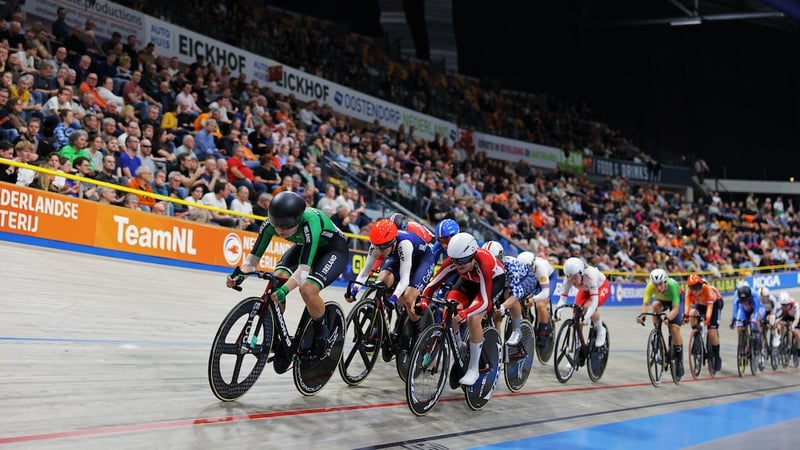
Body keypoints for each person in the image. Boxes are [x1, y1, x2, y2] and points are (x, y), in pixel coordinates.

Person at [226, 191, 349, 360]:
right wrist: (239, 276)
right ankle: (277, 336)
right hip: (304, 244)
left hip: (332, 250)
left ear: (298, 220)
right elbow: (252, 260)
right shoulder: (270, 223)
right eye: (277, 225)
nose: (281, 230)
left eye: (286, 226)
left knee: (307, 289)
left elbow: (303, 272)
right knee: (278, 277)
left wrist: (285, 290)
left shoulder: (310, 222)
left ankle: (322, 335)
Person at [420, 232, 505, 386]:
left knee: (474, 318)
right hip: (469, 280)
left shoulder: (483, 262)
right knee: (449, 306)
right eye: (455, 261)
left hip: (492, 281)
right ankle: (460, 344)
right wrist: (423, 302)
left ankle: (473, 369)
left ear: (472, 256)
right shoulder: (457, 261)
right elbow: (432, 285)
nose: (458, 266)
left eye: (462, 262)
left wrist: (466, 312)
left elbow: (485, 301)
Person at [347, 218, 436, 350]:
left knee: (409, 297)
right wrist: (354, 290)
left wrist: (394, 298)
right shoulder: (377, 245)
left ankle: (417, 333)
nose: (380, 251)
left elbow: (405, 279)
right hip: (400, 258)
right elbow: (365, 272)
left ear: (393, 241)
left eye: (384, 247)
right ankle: (381, 321)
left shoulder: (404, 243)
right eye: (378, 247)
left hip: (423, 260)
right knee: (382, 279)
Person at [483, 241, 536, 346]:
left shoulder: (511, 266)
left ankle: (517, 330)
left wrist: (503, 306)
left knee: (510, 295)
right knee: (496, 315)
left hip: (525, 278)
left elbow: (516, 293)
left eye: (492, 260)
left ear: (500, 258)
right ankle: (497, 345)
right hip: (504, 282)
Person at [636, 268, 684, 378]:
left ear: (665, 282)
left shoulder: (672, 286)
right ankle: (658, 335)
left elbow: (676, 309)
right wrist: (642, 316)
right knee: (655, 306)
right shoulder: (649, 286)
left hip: (676, 301)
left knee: (674, 329)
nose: (658, 287)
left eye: (660, 284)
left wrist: (668, 318)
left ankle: (679, 361)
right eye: (655, 284)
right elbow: (645, 304)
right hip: (662, 301)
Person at [555, 257, 609, 354]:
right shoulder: (568, 278)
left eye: (575, 277)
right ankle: (577, 346)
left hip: (601, 287)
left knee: (587, 307)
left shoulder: (590, 275)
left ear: (581, 273)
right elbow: (563, 298)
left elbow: (594, 302)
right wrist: (558, 312)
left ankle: (601, 329)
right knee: (576, 315)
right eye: (570, 277)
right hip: (585, 289)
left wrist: (587, 316)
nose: (573, 281)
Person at [683, 274, 725, 372]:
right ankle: (696, 334)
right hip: (701, 304)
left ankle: (717, 356)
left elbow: (710, 308)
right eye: (693, 289)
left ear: (702, 286)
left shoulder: (708, 290)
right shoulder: (689, 292)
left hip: (715, 304)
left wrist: (708, 319)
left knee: (712, 331)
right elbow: (687, 305)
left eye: (697, 288)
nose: (695, 292)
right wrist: (686, 315)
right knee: (692, 313)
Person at [517, 251, 557, 349]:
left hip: (549, 279)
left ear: (533, 265)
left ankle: (543, 334)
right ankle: (528, 317)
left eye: (529, 268)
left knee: (540, 305)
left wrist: (533, 299)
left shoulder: (541, 268)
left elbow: (545, 292)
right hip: (534, 278)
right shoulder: (520, 267)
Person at [730, 284, 765, 358]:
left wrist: (754, 320)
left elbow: (757, 310)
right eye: (742, 300)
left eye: (746, 300)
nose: (744, 302)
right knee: (739, 327)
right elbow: (735, 310)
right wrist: (735, 320)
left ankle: (758, 340)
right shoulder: (736, 296)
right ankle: (744, 344)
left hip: (754, 310)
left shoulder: (755, 296)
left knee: (754, 322)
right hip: (743, 310)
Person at [776, 292, 800, 358]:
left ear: (789, 303)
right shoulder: (781, 306)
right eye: (783, 305)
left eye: (786, 305)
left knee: (797, 333)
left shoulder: (796, 305)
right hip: (787, 316)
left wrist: (793, 325)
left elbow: (797, 319)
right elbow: (778, 317)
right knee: (780, 324)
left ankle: (797, 348)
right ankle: (782, 341)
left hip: (796, 318)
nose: (784, 307)